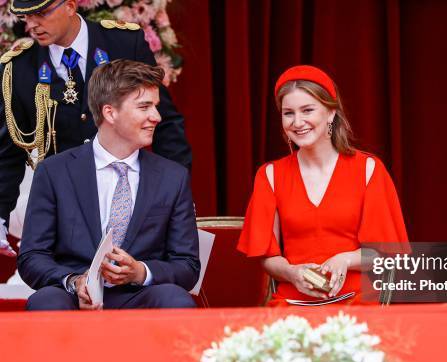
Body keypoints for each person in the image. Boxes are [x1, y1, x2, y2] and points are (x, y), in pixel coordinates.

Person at [0, 0, 192, 256]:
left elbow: (165, 122)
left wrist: (178, 196)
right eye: (26, 17)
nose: (32, 25)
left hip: (130, 198)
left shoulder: (124, 43)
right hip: (65, 213)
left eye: (42, 14)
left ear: (69, 6)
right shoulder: (19, 67)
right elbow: (8, 153)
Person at [18, 59, 199, 310]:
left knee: (176, 300)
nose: (156, 117)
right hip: (73, 296)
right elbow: (32, 257)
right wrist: (74, 282)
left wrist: (140, 272)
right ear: (109, 112)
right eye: (144, 106)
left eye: (156, 107)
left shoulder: (173, 177)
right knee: (45, 302)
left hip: (141, 295)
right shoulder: (54, 172)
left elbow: (187, 265)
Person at [237, 65, 409, 306]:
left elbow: (385, 254)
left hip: (357, 300)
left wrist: (345, 259)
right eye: (288, 113)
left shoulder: (369, 169)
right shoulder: (270, 175)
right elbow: (267, 257)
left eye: (307, 110)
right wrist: (292, 273)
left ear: (331, 113)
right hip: (293, 301)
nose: (298, 122)